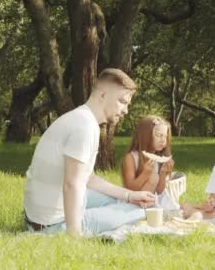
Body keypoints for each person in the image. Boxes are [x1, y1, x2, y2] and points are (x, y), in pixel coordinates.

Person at [23, 68, 155, 237]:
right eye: (122, 101)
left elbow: (88, 178)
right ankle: (65, 231)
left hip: (36, 216)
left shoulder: (81, 118)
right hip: (51, 224)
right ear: (102, 96)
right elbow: (72, 184)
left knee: (123, 201)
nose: (125, 110)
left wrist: (129, 195)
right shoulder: (84, 127)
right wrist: (75, 235)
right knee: (142, 211)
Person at [121, 116, 178, 210]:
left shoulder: (158, 158)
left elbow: (159, 191)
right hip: (132, 202)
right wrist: (145, 173)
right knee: (153, 176)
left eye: (165, 136)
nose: (163, 140)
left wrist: (163, 172)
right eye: (159, 135)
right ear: (146, 136)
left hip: (151, 200)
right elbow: (130, 188)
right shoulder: (131, 157)